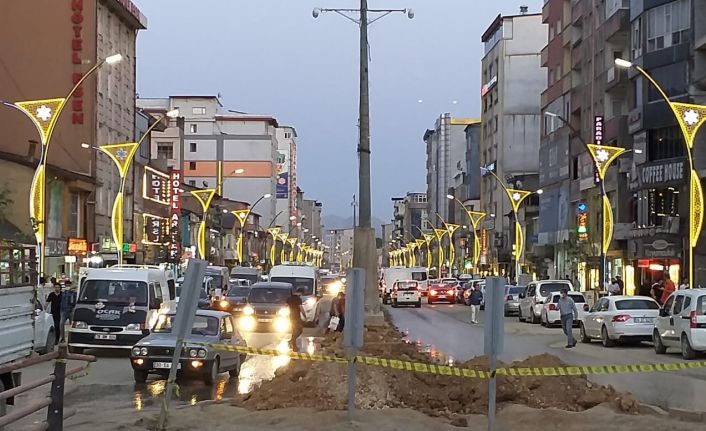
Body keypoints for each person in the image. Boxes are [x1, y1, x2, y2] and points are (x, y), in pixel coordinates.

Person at [286, 288, 305, 352]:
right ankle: (293, 344)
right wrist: (305, 316)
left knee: (294, 330)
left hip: (291, 316)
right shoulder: (298, 299)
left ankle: (292, 344)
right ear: (300, 292)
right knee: (299, 330)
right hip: (296, 317)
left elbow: (286, 306)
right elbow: (301, 308)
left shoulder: (289, 298)